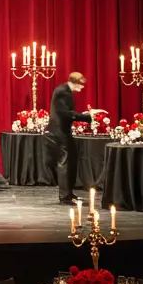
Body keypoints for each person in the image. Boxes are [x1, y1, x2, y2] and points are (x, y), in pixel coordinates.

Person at [46, 72, 95, 204]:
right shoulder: (63, 92)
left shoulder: (65, 91)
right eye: (81, 85)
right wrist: (88, 116)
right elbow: (66, 114)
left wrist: (84, 115)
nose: (83, 88)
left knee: (71, 161)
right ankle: (65, 197)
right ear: (74, 82)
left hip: (63, 131)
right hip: (59, 131)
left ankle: (70, 194)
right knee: (65, 163)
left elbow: (68, 113)